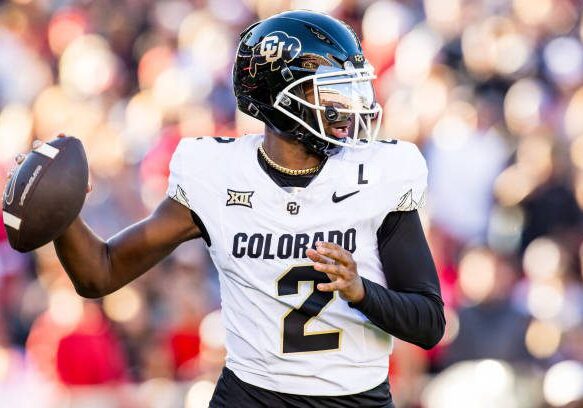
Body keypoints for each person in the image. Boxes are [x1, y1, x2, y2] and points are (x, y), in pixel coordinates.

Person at [17, 10, 444, 407]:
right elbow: (100, 273)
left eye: (352, 90)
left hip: (353, 398)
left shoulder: (379, 174)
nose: (349, 107)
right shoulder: (217, 174)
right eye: (332, 92)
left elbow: (428, 324)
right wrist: (61, 209)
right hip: (251, 396)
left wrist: (361, 291)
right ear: (281, 98)